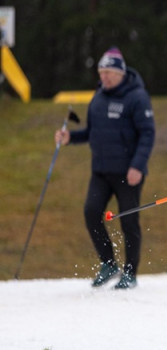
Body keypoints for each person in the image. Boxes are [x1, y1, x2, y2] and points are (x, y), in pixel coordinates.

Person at [55, 46, 155, 288]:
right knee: (91, 213)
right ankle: (109, 263)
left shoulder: (137, 97)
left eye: (109, 72)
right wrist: (71, 138)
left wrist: (138, 166)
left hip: (128, 172)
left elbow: (147, 134)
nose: (105, 77)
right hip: (101, 170)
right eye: (101, 72)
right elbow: (92, 132)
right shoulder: (98, 97)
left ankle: (130, 273)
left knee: (128, 222)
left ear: (120, 73)